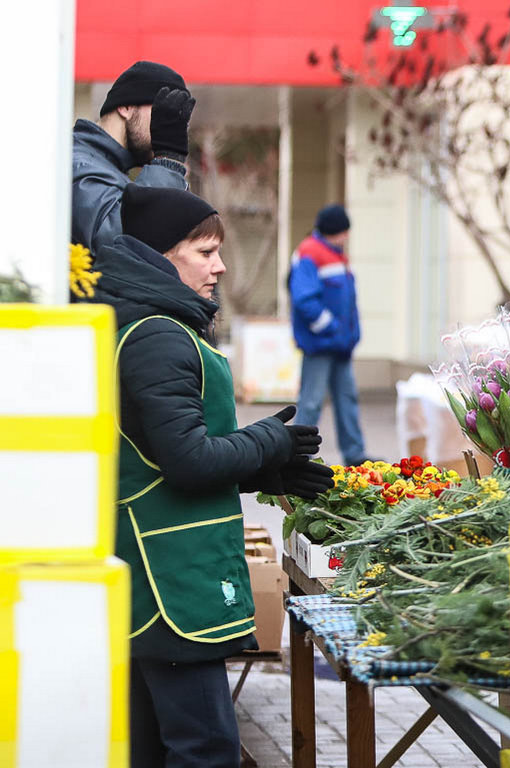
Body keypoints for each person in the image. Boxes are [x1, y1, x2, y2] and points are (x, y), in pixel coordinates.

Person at [88, 183, 334, 767]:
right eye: (204, 251)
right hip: (170, 576)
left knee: (150, 744)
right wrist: (268, 439)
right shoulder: (156, 335)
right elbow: (188, 460)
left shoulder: (153, 324)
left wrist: (265, 473)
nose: (219, 266)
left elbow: (159, 455)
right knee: (206, 748)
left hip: (156, 565)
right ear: (158, 254)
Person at [72, 61, 196, 252]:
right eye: (162, 113)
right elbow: (118, 247)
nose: (167, 127)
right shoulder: (79, 164)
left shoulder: (110, 169)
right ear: (126, 107)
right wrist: (168, 163)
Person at [290, 203, 372, 466]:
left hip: (339, 345)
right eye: (344, 231)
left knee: (347, 400)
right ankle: (298, 456)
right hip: (321, 345)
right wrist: (331, 328)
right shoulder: (310, 253)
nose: (347, 236)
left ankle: (355, 455)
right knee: (311, 402)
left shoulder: (335, 254)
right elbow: (304, 301)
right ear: (334, 231)